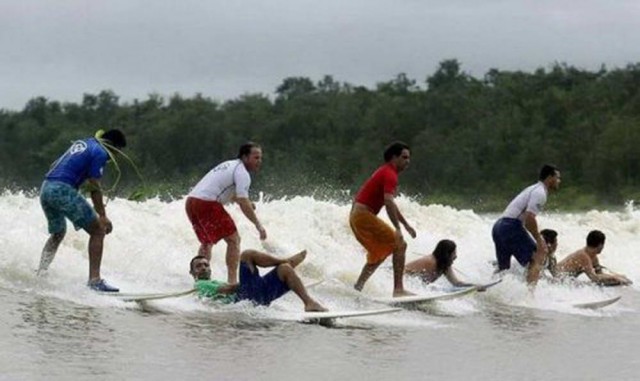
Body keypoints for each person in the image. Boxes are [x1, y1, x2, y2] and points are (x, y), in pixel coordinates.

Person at [37, 129, 127, 292]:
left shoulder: (84, 143)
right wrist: (102, 216)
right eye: (117, 152)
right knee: (98, 230)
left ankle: (41, 273)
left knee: (58, 233)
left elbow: (54, 165)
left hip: (46, 188)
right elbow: (94, 186)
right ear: (113, 146)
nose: (114, 158)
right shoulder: (100, 151)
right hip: (61, 190)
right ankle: (95, 281)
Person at [186, 142, 267, 285]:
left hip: (191, 202)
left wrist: (246, 202)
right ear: (245, 157)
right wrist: (258, 225)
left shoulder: (229, 165)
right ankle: (232, 282)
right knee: (234, 240)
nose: (259, 161)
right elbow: (242, 201)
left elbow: (227, 192)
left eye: (260, 158)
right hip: (207, 204)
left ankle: (200, 281)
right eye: (256, 158)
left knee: (207, 242)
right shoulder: (242, 172)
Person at [349, 141, 416, 297]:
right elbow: (388, 202)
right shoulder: (389, 174)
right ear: (394, 157)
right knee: (400, 244)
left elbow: (390, 203)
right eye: (404, 157)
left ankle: (358, 287)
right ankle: (398, 290)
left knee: (380, 251)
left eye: (409, 158)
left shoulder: (386, 172)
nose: (408, 161)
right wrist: (398, 229)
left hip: (358, 216)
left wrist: (405, 225)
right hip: (363, 216)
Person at [190, 249, 327, 311]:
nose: (203, 267)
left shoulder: (212, 281)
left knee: (284, 269)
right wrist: (248, 282)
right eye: (198, 266)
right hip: (245, 299)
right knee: (246, 255)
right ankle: (286, 260)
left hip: (257, 298)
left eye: (206, 265)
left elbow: (228, 288)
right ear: (192, 272)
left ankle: (309, 303)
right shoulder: (200, 284)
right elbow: (227, 289)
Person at [492, 164, 561, 286]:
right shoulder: (540, 192)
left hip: (498, 226)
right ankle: (530, 296)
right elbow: (530, 219)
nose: (559, 181)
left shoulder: (532, 188)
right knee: (537, 257)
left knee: (503, 269)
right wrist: (539, 240)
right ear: (550, 177)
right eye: (557, 177)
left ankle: (492, 291)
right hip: (510, 226)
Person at [555, 230, 632, 286]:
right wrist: (615, 278)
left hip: (564, 279)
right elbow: (594, 278)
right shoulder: (583, 255)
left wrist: (618, 276)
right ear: (600, 245)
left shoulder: (593, 257)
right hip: (555, 278)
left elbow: (600, 273)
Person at [405, 239, 487, 290]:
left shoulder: (445, 265)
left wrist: (474, 286)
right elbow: (407, 276)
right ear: (446, 254)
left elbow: (457, 283)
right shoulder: (430, 262)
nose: (456, 256)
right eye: (454, 253)